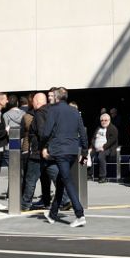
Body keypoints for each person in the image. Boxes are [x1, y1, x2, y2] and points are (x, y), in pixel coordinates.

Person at [39, 86, 87, 227]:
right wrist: (84, 152)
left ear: (58, 97)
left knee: (66, 181)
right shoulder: (74, 111)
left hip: (60, 151)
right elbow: (82, 133)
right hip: (72, 151)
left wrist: (43, 146)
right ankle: (53, 214)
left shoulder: (53, 110)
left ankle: (80, 214)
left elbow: (46, 132)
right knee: (61, 181)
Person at [89, 111, 118, 183]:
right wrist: (91, 147)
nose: (103, 122)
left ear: (109, 120)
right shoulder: (98, 128)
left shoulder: (113, 128)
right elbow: (93, 138)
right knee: (84, 155)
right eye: (102, 120)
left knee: (101, 156)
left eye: (105, 120)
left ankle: (102, 176)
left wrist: (103, 147)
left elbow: (112, 140)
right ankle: (85, 173)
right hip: (96, 148)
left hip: (108, 149)